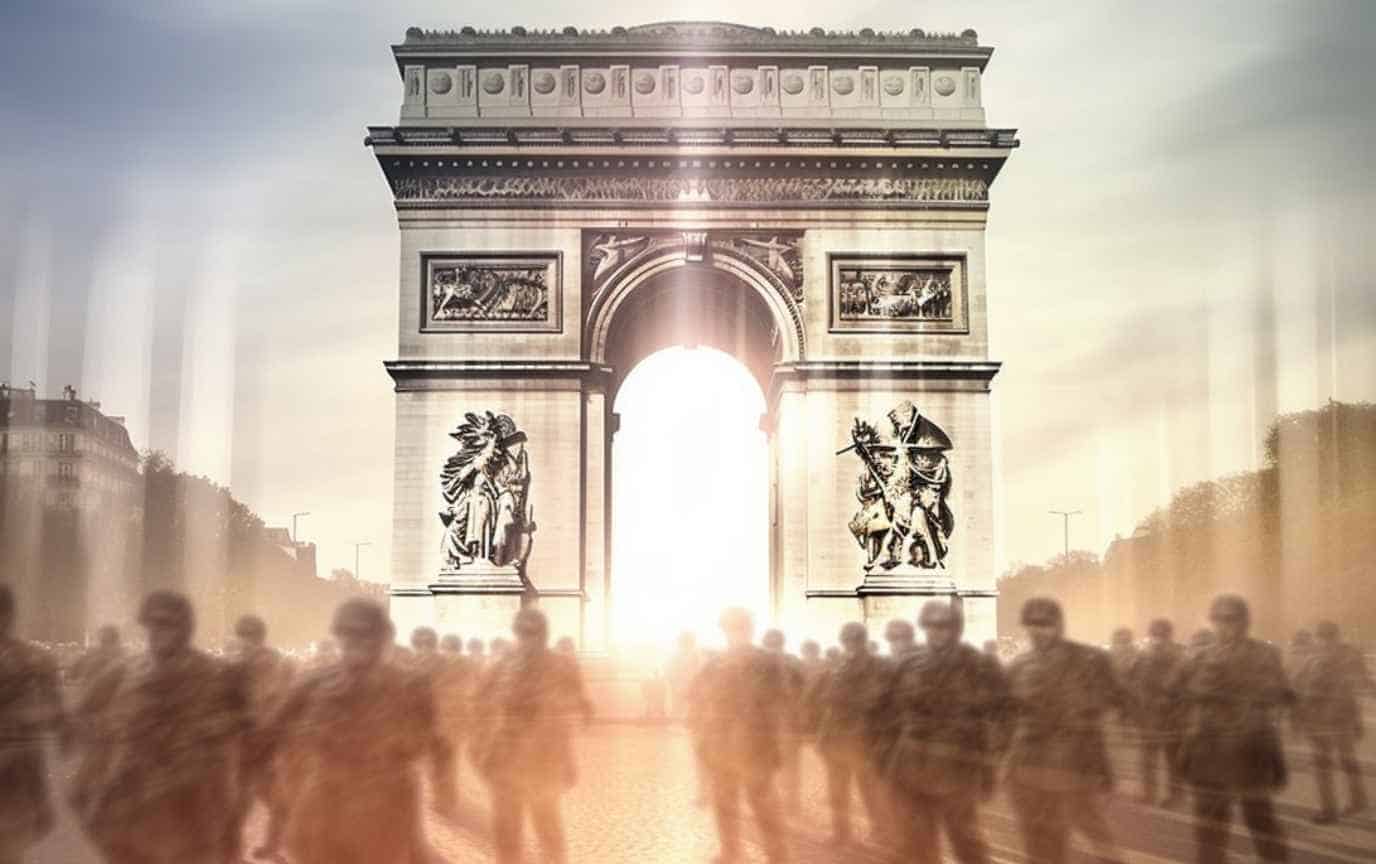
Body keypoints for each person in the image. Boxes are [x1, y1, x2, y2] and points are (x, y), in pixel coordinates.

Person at [68, 590, 248, 864]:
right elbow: (81, 714)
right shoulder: (125, 671)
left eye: (165, 624)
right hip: (131, 807)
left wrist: (234, 814)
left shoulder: (220, 675)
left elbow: (245, 745)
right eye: (150, 624)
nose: (156, 632)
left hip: (193, 811)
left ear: (185, 627)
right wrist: (98, 759)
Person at [259, 598, 435, 864]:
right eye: (349, 634)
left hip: (382, 808)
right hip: (322, 806)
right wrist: (287, 793)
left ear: (382, 637)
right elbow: (268, 734)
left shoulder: (412, 685)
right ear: (339, 636)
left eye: (365, 634)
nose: (357, 642)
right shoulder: (313, 682)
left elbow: (422, 743)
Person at [873, 602, 1008, 864]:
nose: (935, 632)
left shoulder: (979, 665)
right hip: (911, 765)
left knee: (966, 841)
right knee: (915, 843)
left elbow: (1003, 714)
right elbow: (884, 711)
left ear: (956, 629)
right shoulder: (908, 664)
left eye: (943, 627)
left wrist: (991, 762)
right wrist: (885, 753)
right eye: (930, 626)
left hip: (957, 766)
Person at [1005, 597, 1127, 864]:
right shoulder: (1018, 666)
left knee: (1097, 835)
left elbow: (1113, 701)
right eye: (1032, 625)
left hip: (1072, 764)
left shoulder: (1089, 660)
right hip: (1027, 765)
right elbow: (1004, 715)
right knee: (1037, 842)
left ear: (1059, 625)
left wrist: (1103, 766)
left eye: (1044, 624)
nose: (1037, 631)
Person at [1171, 594, 1291, 864]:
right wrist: (1197, 693)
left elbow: (1283, 694)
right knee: (1209, 830)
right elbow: (1174, 692)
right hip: (1209, 751)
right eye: (1219, 620)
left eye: (1231, 619)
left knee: (1261, 823)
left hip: (1250, 750)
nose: (1225, 626)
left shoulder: (1265, 654)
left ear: (1245, 622)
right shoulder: (1198, 656)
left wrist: (1243, 692)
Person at [470, 608, 590, 864]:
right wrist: (481, 750)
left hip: (543, 759)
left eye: (534, 633)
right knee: (507, 830)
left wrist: (568, 758)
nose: (529, 639)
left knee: (547, 825)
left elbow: (577, 710)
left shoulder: (562, 665)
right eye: (525, 633)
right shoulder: (499, 663)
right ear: (517, 634)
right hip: (506, 757)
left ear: (544, 635)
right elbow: (478, 706)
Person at [689, 607, 788, 864]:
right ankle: (731, 851)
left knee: (763, 804)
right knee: (725, 802)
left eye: (738, 628)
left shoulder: (766, 661)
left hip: (755, 744)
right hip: (724, 744)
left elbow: (780, 702)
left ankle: (777, 856)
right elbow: (698, 695)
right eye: (730, 629)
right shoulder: (716, 661)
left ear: (748, 630)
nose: (734, 634)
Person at [0, 583, 64, 864]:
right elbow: (55, 715)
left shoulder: (37, 661)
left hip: (15, 775)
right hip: (19, 774)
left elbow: (55, 714)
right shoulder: (40, 660)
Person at [810, 621, 887, 848]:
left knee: (870, 789)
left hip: (862, 737)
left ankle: (881, 830)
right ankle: (841, 833)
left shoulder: (877, 665)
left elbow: (876, 698)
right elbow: (825, 695)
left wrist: (842, 699)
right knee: (837, 790)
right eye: (847, 640)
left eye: (855, 640)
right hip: (835, 737)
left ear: (863, 641)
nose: (851, 645)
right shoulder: (838, 665)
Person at [228, 614, 297, 862]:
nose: (244, 644)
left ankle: (271, 847)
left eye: (246, 638)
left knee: (273, 802)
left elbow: (286, 700)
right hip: (252, 745)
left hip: (257, 745)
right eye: (243, 638)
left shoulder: (237, 666)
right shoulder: (238, 666)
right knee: (248, 805)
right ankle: (260, 849)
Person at [1293, 619, 1369, 822]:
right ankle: (1356, 800)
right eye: (1323, 638)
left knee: (1328, 765)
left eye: (1328, 638)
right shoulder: (1322, 658)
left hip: (1331, 721)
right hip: (1329, 721)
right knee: (1342, 762)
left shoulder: (1325, 659)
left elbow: (1360, 685)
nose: (1325, 643)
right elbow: (1298, 687)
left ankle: (1330, 810)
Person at [1129, 618, 1186, 807]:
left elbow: (1186, 690)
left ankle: (1176, 796)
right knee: (1148, 759)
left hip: (1172, 719)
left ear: (1169, 637)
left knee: (1173, 760)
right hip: (1149, 718)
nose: (1158, 640)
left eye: (1162, 636)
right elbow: (1132, 686)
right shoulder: (1142, 659)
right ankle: (1148, 794)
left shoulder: (1180, 660)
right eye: (1155, 635)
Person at [409, 626, 459, 817]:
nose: (423, 647)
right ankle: (445, 799)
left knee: (440, 761)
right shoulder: (444, 662)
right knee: (441, 761)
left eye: (426, 644)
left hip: (437, 719)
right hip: (434, 719)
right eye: (420, 644)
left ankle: (444, 800)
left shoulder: (413, 664)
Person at [762, 628, 807, 814]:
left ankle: (781, 801)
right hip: (785, 721)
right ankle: (791, 801)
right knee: (790, 765)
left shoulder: (761, 662)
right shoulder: (793, 661)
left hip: (772, 723)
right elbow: (804, 690)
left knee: (770, 764)